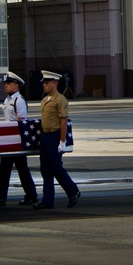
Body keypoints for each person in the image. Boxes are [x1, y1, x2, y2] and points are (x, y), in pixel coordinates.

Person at [0, 71, 39, 206]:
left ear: (16, 85)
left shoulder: (19, 100)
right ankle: (2, 196)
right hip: (9, 140)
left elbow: (21, 121)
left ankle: (30, 195)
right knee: (6, 168)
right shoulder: (8, 100)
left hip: (17, 140)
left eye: (9, 83)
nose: (6, 86)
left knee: (21, 168)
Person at [33, 70, 80, 210]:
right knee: (45, 169)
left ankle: (73, 191)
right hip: (45, 136)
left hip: (54, 136)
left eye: (47, 83)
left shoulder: (60, 100)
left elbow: (63, 122)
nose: (44, 85)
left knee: (56, 167)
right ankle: (47, 200)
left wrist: (62, 141)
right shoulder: (44, 100)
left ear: (55, 83)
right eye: (44, 83)